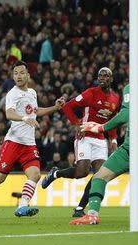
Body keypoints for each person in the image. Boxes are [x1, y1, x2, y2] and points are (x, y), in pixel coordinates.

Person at [70, 54, 138, 225]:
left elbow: (125, 115)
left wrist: (100, 127)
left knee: (99, 177)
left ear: (135, 67)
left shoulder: (132, 87)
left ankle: (92, 214)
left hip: (136, 146)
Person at [0, 61, 65, 217]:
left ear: (28, 75)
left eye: (22, 72)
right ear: (13, 76)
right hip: (13, 142)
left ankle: (22, 207)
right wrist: (24, 118)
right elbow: (9, 114)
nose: (18, 76)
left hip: (29, 145)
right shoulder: (13, 93)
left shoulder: (32, 93)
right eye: (16, 73)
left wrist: (55, 108)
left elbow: (36, 112)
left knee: (35, 175)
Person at [41, 67, 120, 217]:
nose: (102, 78)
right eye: (100, 76)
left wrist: (114, 140)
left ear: (111, 79)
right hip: (85, 137)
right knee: (82, 172)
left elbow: (112, 121)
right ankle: (55, 174)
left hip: (101, 141)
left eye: (105, 76)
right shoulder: (90, 93)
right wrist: (77, 124)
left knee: (99, 176)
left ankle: (79, 208)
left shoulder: (115, 99)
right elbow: (68, 107)